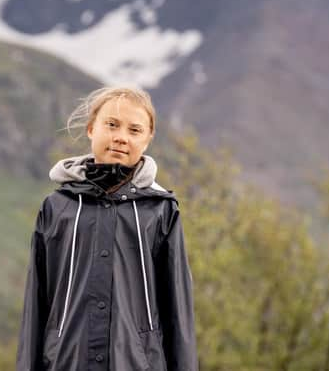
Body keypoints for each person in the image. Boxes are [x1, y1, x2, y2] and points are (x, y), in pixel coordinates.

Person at [16, 86, 198, 371]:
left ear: (148, 140)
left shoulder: (161, 210)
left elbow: (178, 313)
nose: (121, 137)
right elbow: (36, 304)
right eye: (111, 125)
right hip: (65, 363)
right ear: (91, 128)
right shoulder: (57, 208)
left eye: (134, 130)